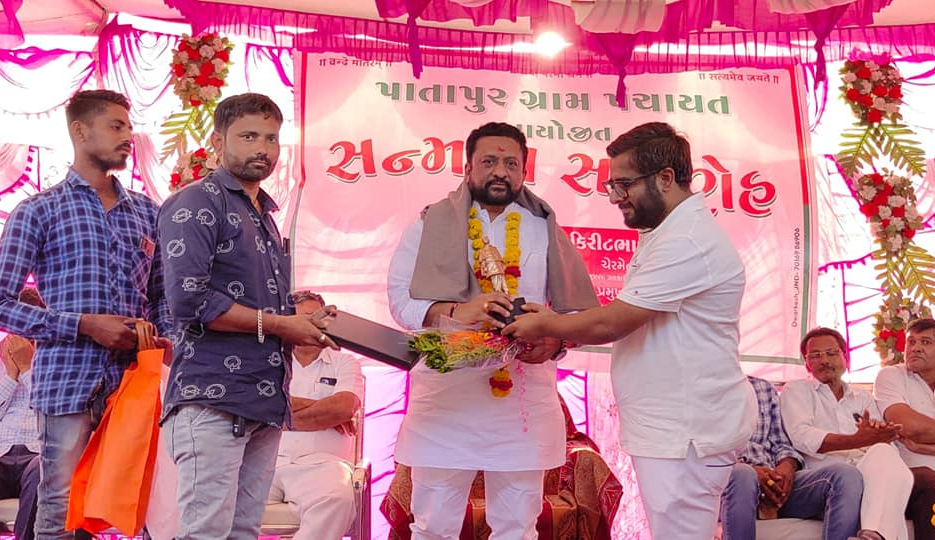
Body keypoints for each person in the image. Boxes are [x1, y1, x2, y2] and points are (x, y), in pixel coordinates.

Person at [502, 121, 758, 539]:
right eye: (612, 186)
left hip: (686, 431)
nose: (615, 197)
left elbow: (613, 322)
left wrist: (544, 323)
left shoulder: (688, 239)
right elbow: (641, 322)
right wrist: (560, 335)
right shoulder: (668, 231)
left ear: (666, 178)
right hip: (675, 428)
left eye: (624, 185)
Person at [386, 121, 598, 539]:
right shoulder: (428, 224)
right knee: (432, 528)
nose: (500, 171)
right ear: (468, 168)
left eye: (511, 163)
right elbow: (399, 301)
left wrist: (555, 340)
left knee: (518, 528)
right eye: (488, 162)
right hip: (446, 401)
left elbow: (576, 312)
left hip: (521, 404)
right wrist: (457, 311)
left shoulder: (543, 229)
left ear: (524, 171)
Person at [157, 92, 337, 540]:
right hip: (212, 399)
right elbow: (189, 301)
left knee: (243, 533)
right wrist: (280, 325)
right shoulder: (196, 203)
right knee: (205, 534)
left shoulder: (264, 214)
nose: (263, 148)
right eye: (249, 136)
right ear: (218, 142)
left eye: (271, 138)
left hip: (264, 400)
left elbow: (265, 306)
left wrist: (305, 321)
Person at [0, 89, 172, 540]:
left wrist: (165, 337)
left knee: (140, 502)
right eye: (116, 126)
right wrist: (83, 325)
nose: (128, 137)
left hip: (136, 382)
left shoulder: (148, 213)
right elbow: (0, 301)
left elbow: (162, 297)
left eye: (129, 127)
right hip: (66, 380)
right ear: (79, 130)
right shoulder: (39, 210)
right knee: (59, 504)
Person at [779, 327, 912, 540]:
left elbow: (882, 443)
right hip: (822, 479)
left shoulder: (862, 398)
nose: (824, 360)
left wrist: (883, 436)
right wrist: (857, 440)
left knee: (888, 455)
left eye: (831, 353)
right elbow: (802, 437)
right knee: (854, 474)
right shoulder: (797, 390)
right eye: (815, 355)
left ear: (845, 358)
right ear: (807, 363)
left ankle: (873, 534)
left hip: (865, 472)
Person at [267, 291, 363, 540]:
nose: (307, 325)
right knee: (215, 496)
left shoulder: (345, 362)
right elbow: (259, 406)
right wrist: (322, 411)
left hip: (322, 465)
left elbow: (343, 408)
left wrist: (278, 414)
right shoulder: (268, 359)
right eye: (300, 318)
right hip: (265, 459)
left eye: (314, 317)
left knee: (337, 498)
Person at [721, 375, 863, 540]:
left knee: (846, 475)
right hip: (728, 482)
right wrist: (750, 470)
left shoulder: (762, 388)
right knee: (743, 474)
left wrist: (787, 465)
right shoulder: (697, 389)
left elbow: (781, 443)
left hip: (775, 482)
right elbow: (703, 455)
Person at [874, 318, 935, 540]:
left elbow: (918, 435)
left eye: (925, 342)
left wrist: (924, 447)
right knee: (932, 482)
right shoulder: (891, 376)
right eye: (911, 342)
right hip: (910, 480)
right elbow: (909, 427)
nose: (916, 348)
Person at [0, 287, 46, 540]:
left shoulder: (54, 366)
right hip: (0, 451)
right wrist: (10, 375)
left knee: (44, 471)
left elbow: (51, 410)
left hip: (37, 454)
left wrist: (28, 369)